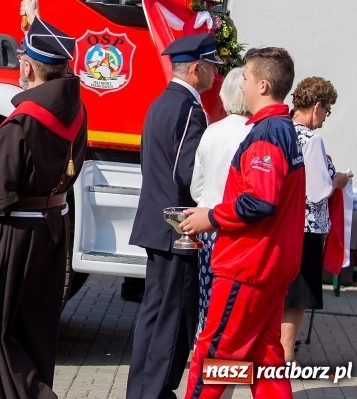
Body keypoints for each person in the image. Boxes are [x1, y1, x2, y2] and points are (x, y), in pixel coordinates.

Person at [0, 0, 87, 399]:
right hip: (48, 230)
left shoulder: (23, 122)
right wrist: (33, 19)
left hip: (11, 236)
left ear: (28, 66)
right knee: (28, 332)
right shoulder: (75, 110)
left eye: (21, 61)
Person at [180, 47, 305, 398]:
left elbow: (260, 202)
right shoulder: (282, 129)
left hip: (247, 266)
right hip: (269, 265)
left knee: (214, 356)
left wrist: (210, 216)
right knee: (265, 359)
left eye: (246, 78)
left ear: (263, 86)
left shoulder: (267, 134)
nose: (242, 84)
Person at [127, 32, 222, 399]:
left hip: (158, 224)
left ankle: (140, 391)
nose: (216, 74)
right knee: (173, 320)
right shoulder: (188, 108)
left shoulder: (162, 102)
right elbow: (187, 173)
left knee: (153, 316)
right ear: (196, 68)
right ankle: (155, 393)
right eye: (212, 66)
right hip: (177, 229)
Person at [280, 77, 353, 362]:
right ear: (317, 106)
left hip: (282, 223)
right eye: (327, 111)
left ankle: (275, 350)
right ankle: (285, 356)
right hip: (306, 227)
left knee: (281, 291)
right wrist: (337, 180)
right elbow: (316, 190)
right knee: (297, 296)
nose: (325, 118)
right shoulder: (311, 139)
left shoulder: (280, 129)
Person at [189, 67, 252, 339]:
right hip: (242, 231)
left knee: (209, 305)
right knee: (238, 313)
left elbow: (196, 188)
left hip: (210, 227)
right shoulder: (258, 133)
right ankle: (228, 369)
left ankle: (207, 364)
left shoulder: (211, 131)